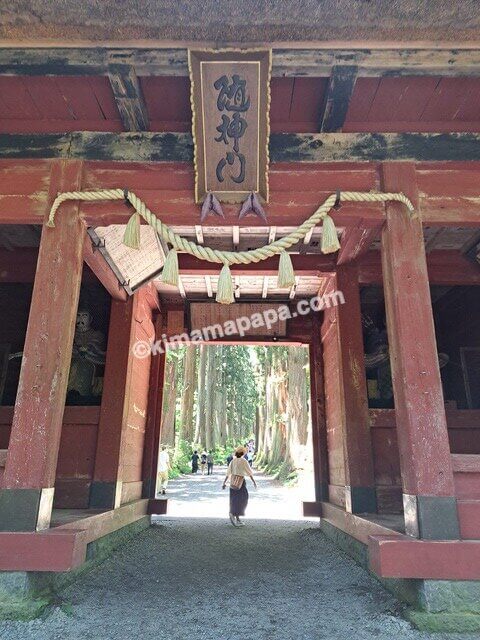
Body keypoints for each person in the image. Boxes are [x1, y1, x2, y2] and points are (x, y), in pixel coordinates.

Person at [222, 446, 257, 527]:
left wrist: (224, 483)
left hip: (233, 482)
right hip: (241, 482)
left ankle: (236, 517)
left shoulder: (232, 461)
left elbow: (228, 473)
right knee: (243, 498)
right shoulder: (244, 461)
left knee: (233, 499)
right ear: (242, 454)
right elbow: (249, 473)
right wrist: (254, 482)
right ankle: (233, 514)